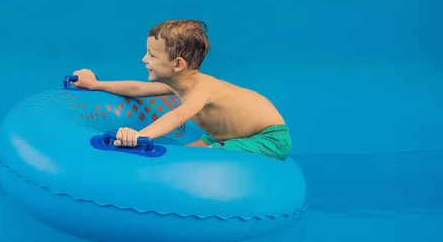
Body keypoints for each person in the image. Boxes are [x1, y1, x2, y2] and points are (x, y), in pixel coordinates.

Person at [71, 20, 292, 161]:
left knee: (203, 158)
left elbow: (176, 116)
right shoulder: (177, 83)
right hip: (222, 134)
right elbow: (137, 88)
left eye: (152, 56)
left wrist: (140, 135)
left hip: (267, 138)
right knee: (185, 154)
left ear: (177, 64)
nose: (144, 59)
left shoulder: (201, 90)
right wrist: (96, 85)